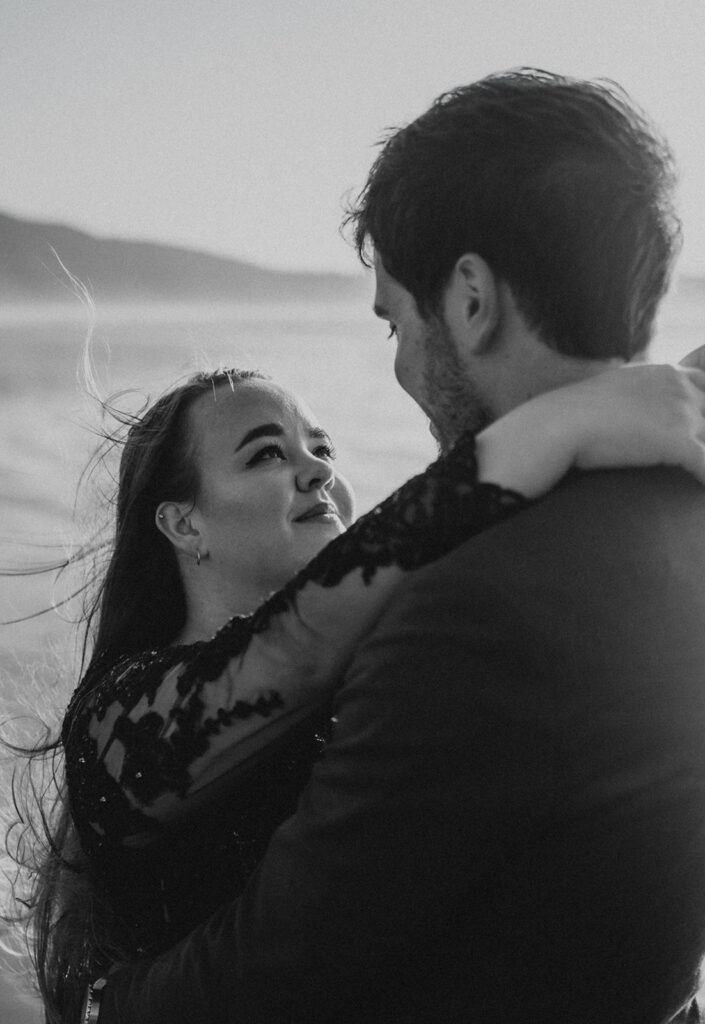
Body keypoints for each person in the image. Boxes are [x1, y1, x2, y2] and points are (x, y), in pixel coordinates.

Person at [39, 69, 705, 1022]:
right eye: (267, 453)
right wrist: (528, 441)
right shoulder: (122, 718)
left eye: (323, 448)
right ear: (179, 521)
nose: (316, 472)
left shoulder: (451, 620)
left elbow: (303, 955)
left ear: (468, 299)